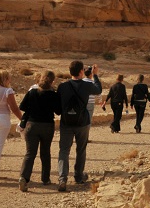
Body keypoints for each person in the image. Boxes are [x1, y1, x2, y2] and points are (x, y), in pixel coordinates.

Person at [57, 60, 102, 192]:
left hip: (66, 123)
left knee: (64, 150)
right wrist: (95, 75)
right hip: (82, 123)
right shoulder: (87, 85)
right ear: (81, 71)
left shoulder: (62, 86)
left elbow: (58, 104)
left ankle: (62, 178)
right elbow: (98, 90)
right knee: (81, 149)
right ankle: (78, 176)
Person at [17, 70, 59, 191]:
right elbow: (58, 111)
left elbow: (22, 107)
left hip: (32, 125)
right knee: (45, 153)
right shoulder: (53, 94)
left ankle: (24, 178)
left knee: (30, 153)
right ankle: (45, 179)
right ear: (52, 81)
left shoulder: (32, 92)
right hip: (47, 126)